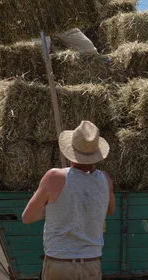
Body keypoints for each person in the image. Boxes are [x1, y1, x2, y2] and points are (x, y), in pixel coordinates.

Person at [22, 120, 116, 280]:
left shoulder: (54, 177)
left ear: (71, 151)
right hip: (92, 265)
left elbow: (27, 217)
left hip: (60, 265)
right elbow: (110, 209)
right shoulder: (105, 180)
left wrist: (52, 208)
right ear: (96, 154)